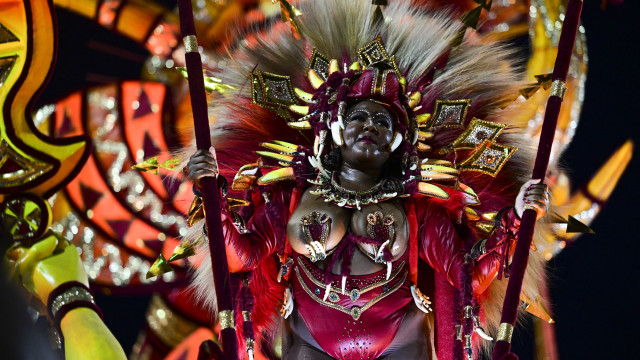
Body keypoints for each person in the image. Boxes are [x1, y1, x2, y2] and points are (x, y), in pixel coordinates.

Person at [183, 1, 550, 358]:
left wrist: (516, 221)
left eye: (383, 122)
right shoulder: (291, 199)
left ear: (397, 142)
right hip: (308, 348)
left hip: (403, 347)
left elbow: (466, 276)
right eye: (359, 117)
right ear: (338, 128)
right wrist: (213, 196)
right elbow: (243, 257)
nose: (370, 126)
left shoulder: (418, 213)